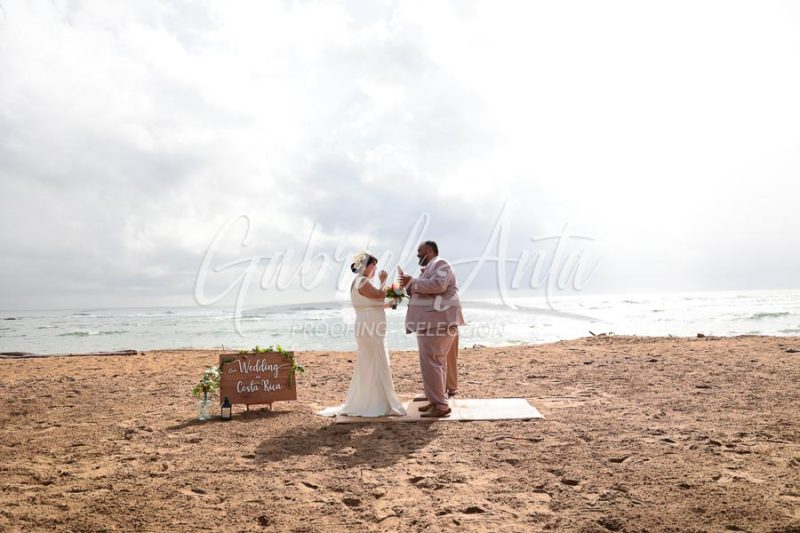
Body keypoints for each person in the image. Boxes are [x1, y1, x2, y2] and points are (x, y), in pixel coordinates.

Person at [317, 251, 406, 417]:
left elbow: (372, 304)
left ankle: (375, 399)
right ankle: (380, 402)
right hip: (370, 326)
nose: (376, 269)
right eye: (374, 265)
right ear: (366, 266)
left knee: (370, 360)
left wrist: (393, 302)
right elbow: (379, 296)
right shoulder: (363, 281)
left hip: (367, 324)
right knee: (377, 359)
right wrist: (384, 281)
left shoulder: (358, 282)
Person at [399, 240, 465, 418]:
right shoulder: (431, 267)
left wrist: (413, 282)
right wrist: (409, 285)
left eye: (419, 252)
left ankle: (441, 406)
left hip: (439, 322)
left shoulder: (441, 263)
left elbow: (439, 286)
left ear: (429, 250)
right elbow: (428, 289)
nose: (417, 255)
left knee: (434, 362)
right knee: (434, 363)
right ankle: (436, 400)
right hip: (432, 323)